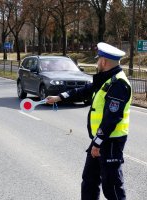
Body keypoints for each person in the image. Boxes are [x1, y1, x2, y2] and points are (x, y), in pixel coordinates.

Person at [46, 42, 132, 200]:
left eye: (98, 59)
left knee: (112, 187)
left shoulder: (119, 84)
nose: (97, 62)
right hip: (100, 139)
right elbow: (84, 90)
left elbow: (111, 119)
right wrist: (59, 97)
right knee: (90, 181)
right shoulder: (106, 79)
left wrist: (97, 143)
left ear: (104, 62)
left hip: (111, 141)